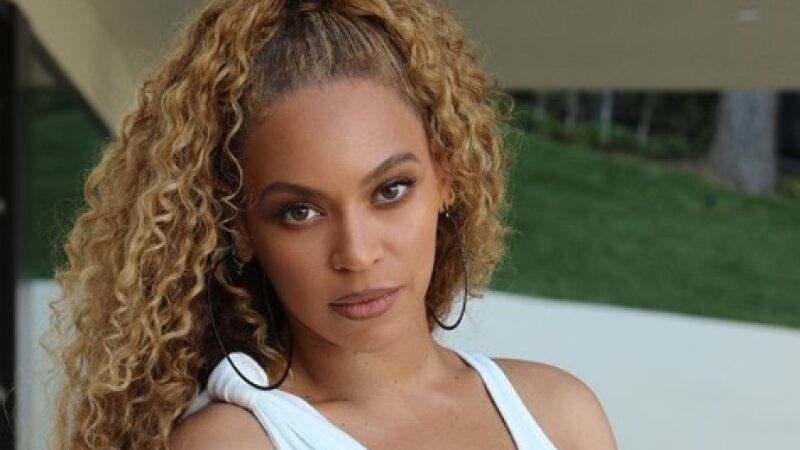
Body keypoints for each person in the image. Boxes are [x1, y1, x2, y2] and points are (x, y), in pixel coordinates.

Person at [49, 0, 617, 449]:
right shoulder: (235, 443)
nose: (357, 252)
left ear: (447, 177)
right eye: (300, 212)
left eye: (390, 191)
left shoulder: (559, 414)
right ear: (241, 229)